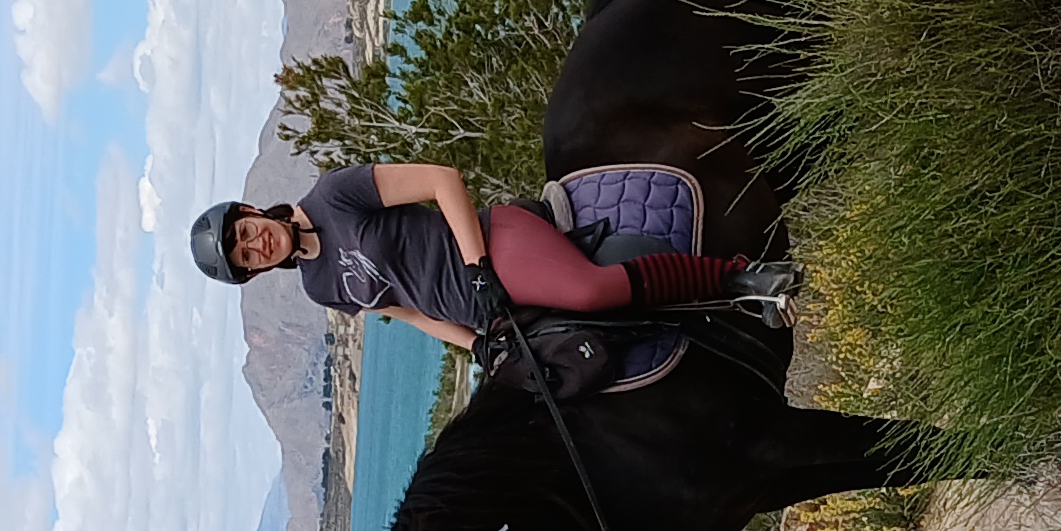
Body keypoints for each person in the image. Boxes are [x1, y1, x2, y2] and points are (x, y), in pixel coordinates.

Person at [186, 162, 800, 349]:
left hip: (494, 250)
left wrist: (479, 268)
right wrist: (475, 344)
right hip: (486, 317)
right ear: (255, 272)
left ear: (251, 213)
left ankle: (741, 277)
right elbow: (403, 310)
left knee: (590, 293)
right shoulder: (319, 287)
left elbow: (442, 181)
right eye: (247, 258)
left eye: (246, 232)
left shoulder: (334, 195)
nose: (255, 245)